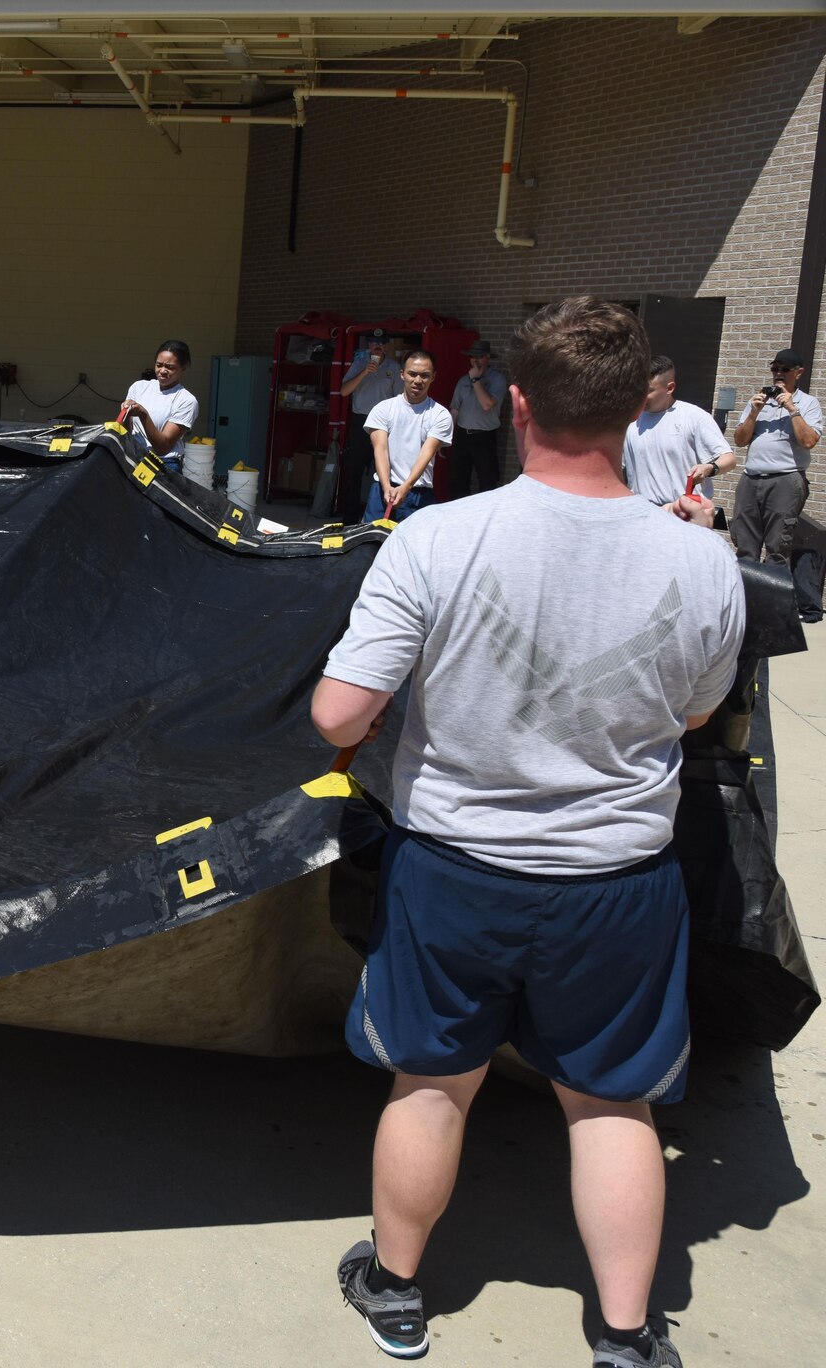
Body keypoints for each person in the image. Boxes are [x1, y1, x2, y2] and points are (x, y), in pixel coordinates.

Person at [314, 297, 744, 1368]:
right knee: (608, 1107)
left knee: (429, 1085)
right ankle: (626, 1334)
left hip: (454, 869)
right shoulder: (700, 564)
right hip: (615, 879)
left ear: (512, 405)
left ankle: (397, 1290)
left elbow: (336, 714)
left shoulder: (436, 540)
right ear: (636, 408)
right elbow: (694, 715)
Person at [730, 347, 820, 566]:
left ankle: (771, 599)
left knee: (777, 549)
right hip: (751, 479)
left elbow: (809, 441)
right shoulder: (759, 401)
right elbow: (740, 440)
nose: (778, 373)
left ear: (798, 373)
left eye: (785, 369)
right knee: (744, 545)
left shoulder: (808, 403)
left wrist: (791, 408)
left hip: (785, 480)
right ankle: (746, 597)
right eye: (774, 369)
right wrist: (754, 412)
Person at [621, 356, 735, 507]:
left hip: (683, 512)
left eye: (648, 391)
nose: (641, 396)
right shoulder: (631, 421)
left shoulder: (694, 417)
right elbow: (620, 468)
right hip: (643, 511)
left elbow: (729, 459)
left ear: (670, 388)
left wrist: (709, 468)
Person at [362, 350, 452, 523]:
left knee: (414, 549)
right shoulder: (383, 409)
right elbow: (380, 450)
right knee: (372, 547)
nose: (418, 380)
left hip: (418, 493)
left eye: (424, 376)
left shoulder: (440, 415)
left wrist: (406, 486)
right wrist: (386, 485)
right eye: (412, 374)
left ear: (433, 377)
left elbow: (426, 454)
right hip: (382, 490)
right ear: (402, 374)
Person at [120, 340, 199, 469]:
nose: (162, 371)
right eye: (159, 365)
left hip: (163, 464)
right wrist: (126, 414)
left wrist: (143, 414)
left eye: (170, 367)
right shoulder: (138, 387)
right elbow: (124, 434)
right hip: (134, 457)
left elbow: (163, 447)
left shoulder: (186, 400)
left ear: (183, 368)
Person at [448, 340, 509, 496]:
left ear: (488, 358)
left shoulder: (497, 380)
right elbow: (455, 409)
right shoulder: (463, 380)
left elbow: (487, 404)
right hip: (462, 435)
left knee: (487, 481)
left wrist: (475, 380)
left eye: (480, 357)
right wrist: (446, 437)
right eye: (472, 357)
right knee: (458, 480)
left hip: (484, 436)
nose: (475, 361)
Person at [340, 328, 402, 455]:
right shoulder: (359, 363)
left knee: (381, 464)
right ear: (369, 345)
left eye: (381, 343)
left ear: (386, 346)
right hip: (361, 421)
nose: (378, 346)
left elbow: (399, 398)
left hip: (383, 422)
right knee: (355, 465)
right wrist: (364, 372)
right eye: (374, 342)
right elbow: (344, 391)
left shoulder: (394, 366)